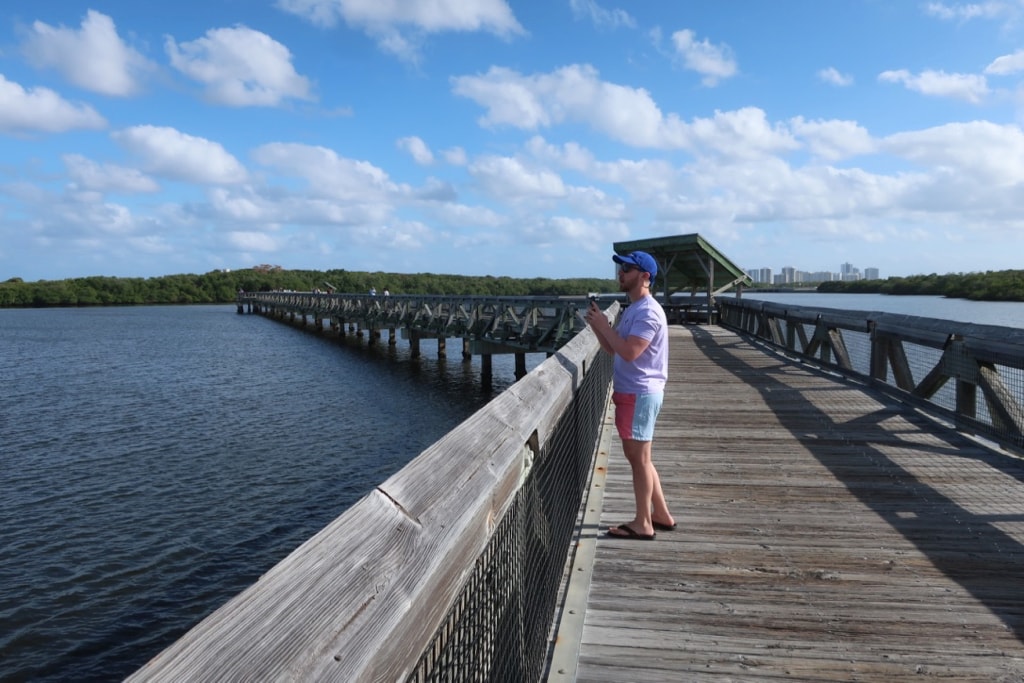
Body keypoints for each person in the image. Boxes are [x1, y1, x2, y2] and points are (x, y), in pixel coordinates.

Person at [585, 250, 674, 540]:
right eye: (621, 268)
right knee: (643, 458)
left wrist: (602, 326)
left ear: (645, 276)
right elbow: (614, 348)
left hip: (639, 393)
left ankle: (643, 523)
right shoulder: (635, 308)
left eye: (627, 268)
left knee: (638, 459)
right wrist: (600, 329)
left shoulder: (647, 312)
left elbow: (630, 352)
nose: (621, 273)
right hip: (635, 393)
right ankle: (660, 514)